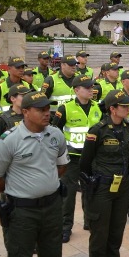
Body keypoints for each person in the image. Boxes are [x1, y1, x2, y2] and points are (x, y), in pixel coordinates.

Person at [0, 92, 69, 257]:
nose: (47, 113)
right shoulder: (8, 141)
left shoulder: (56, 135)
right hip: (22, 213)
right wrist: (20, 189)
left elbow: (61, 166)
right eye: (41, 109)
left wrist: (45, 182)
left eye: (48, 108)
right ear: (25, 112)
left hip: (52, 208)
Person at [79, 89, 129, 257]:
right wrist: (92, 185)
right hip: (102, 188)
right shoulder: (97, 131)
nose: (128, 109)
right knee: (99, 237)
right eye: (124, 106)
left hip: (122, 187)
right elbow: (84, 164)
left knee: (115, 235)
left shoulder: (128, 127)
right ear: (112, 109)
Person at [52, 74, 102, 243]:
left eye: (92, 87)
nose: (91, 90)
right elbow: (55, 132)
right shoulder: (65, 109)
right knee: (68, 193)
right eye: (87, 87)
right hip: (71, 159)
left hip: (91, 158)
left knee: (91, 190)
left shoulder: (98, 107)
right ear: (76, 90)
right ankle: (65, 227)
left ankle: (89, 221)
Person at [0, 84, 31, 148]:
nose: (27, 99)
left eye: (28, 96)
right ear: (13, 98)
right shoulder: (0, 119)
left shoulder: (32, 116)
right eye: (23, 96)